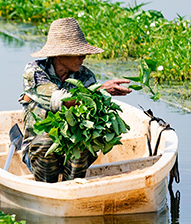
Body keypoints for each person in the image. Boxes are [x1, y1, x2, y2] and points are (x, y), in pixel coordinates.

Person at [20, 18, 131, 183]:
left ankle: (73, 187)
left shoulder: (85, 76)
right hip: (38, 152)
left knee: (85, 140)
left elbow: (92, 112)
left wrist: (100, 96)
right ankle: (46, 188)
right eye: (77, 53)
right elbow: (61, 100)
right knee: (48, 139)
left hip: (72, 150)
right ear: (59, 55)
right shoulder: (35, 71)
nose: (83, 57)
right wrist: (100, 90)